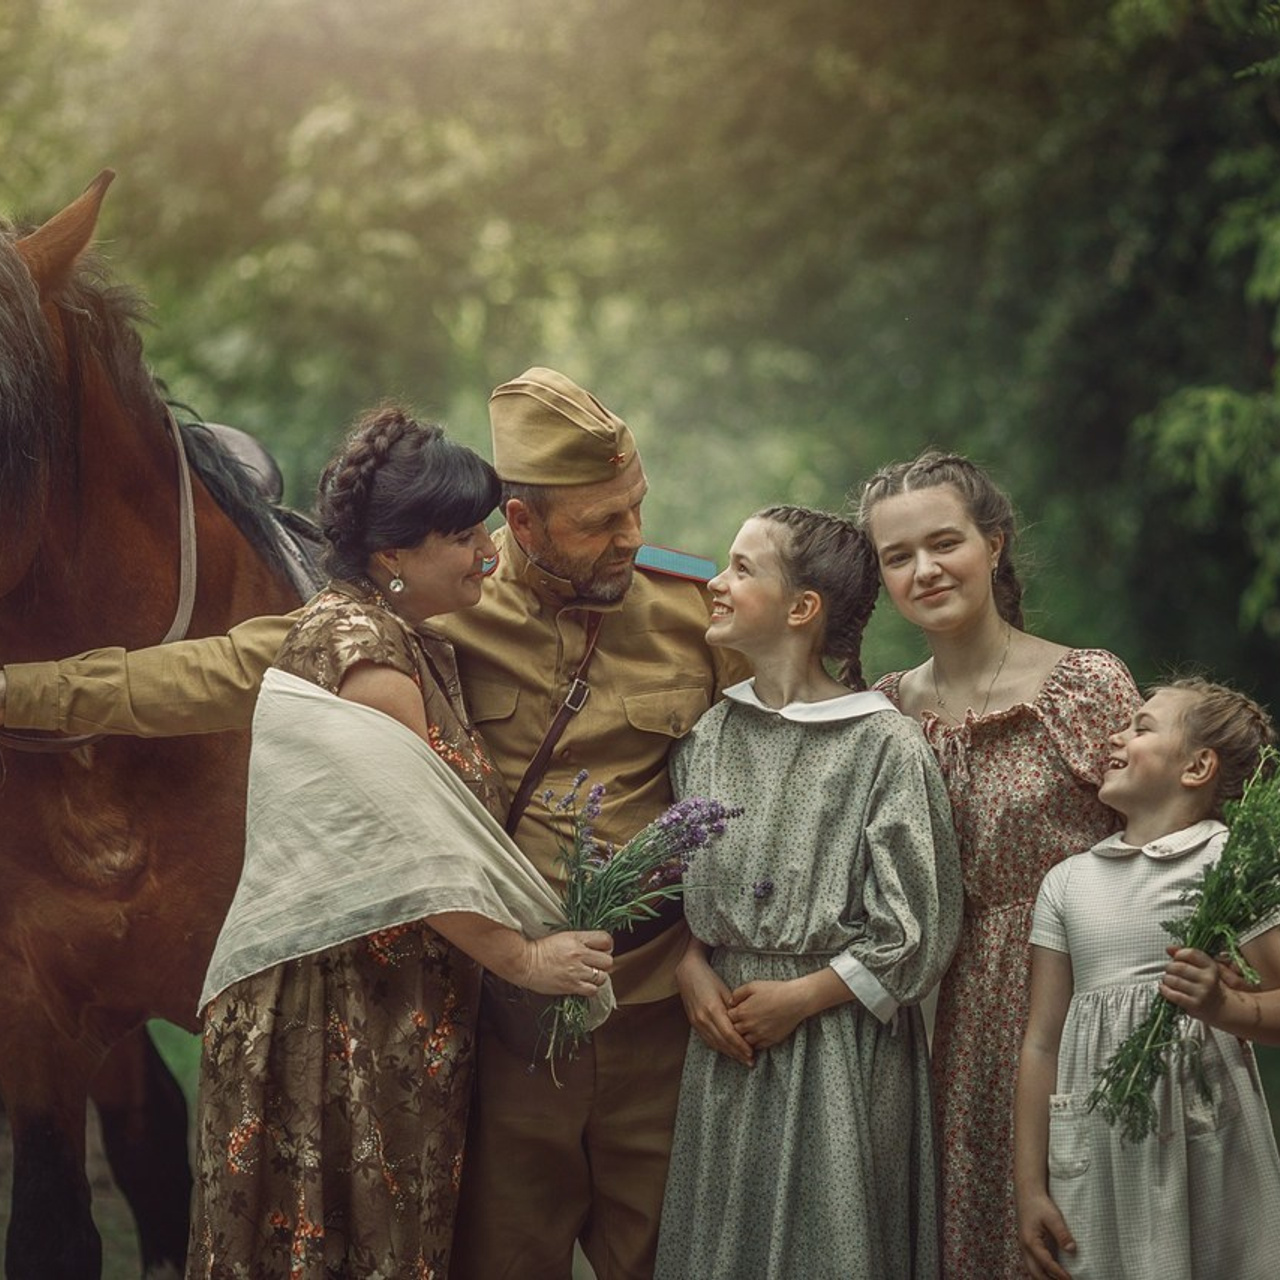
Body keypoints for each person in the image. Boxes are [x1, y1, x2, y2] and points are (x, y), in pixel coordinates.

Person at [0, 368, 747, 1279]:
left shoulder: (689, 614)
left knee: (673, 1257)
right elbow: (191, 677)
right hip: (499, 1020)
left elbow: (767, 753)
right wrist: (15, 690)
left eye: (635, 507)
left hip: (655, 1012)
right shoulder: (432, 613)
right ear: (522, 526)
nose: (632, 537)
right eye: (600, 522)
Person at [185, 405, 615, 1279]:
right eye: (462, 536)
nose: (489, 552)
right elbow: (418, 859)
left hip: (378, 1001)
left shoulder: (392, 638)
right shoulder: (365, 656)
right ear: (392, 557)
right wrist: (528, 963)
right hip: (340, 1021)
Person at [654, 506, 963, 1280]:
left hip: (838, 1050)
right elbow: (690, 881)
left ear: (802, 609)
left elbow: (917, 930)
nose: (716, 585)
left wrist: (805, 997)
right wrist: (691, 964)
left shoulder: (884, 744)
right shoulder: (711, 737)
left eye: (741, 569)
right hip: (728, 1043)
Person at [855, 451, 1141, 1280]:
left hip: (1083, 999)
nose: (925, 570)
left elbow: (1159, 849)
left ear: (995, 544)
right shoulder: (883, 713)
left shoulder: (1082, 685)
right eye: (897, 556)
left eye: (944, 543)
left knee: (1095, 1236)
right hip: (941, 1018)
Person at [1014, 678, 1280, 1280]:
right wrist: (1029, 1186)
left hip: (1203, 1142)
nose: (1116, 734)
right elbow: (1041, 1042)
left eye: (1141, 726)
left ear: (1197, 767)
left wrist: (1224, 1007)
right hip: (1097, 1146)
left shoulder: (1229, 861)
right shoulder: (1067, 882)